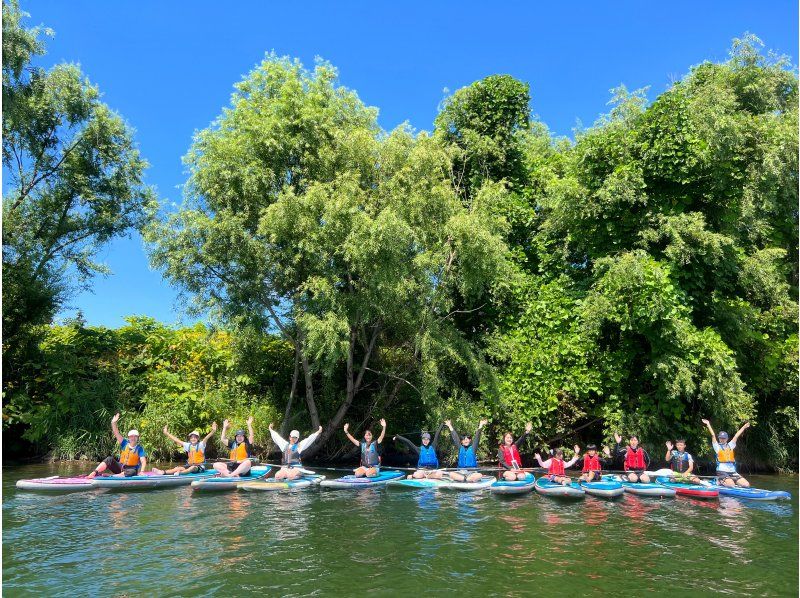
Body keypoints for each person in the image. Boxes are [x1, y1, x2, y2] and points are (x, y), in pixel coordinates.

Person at [87, 413, 148, 478]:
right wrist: (113, 423)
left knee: (133, 471)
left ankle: (112, 476)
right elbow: (116, 433)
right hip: (121, 468)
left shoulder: (140, 449)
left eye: (135, 436)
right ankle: (94, 472)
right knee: (109, 459)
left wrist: (142, 471)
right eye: (131, 436)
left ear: (138, 438)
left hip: (130, 470)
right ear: (129, 437)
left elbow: (143, 461)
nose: (133, 438)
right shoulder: (124, 443)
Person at [152, 423, 217, 475]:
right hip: (189, 465)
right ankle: (163, 472)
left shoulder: (201, 445)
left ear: (198, 438)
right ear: (190, 439)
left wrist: (213, 431)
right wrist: (166, 433)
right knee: (178, 468)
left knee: (192, 468)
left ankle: (180, 473)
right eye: (191, 437)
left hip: (200, 466)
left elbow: (206, 438)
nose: (193, 439)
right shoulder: (188, 445)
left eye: (195, 437)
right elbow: (176, 440)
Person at [702, 418, 751, 488]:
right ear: (719, 438)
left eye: (724, 438)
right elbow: (713, 435)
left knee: (746, 485)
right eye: (721, 438)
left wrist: (744, 426)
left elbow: (736, 436)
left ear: (727, 439)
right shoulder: (717, 447)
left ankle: (729, 481)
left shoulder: (731, 445)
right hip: (722, 471)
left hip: (732, 471)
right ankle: (719, 481)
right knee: (731, 485)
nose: (722, 439)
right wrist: (708, 424)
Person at [445, 418, 488, 483]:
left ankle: (466, 479)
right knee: (451, 474)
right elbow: (455, 438)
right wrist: (450, 426)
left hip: (472, 472)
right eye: (464, 439)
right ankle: (465, 479)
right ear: (461, 441)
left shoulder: (473, 448)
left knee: (479, 475)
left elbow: (477, 437)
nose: (466, 440)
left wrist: (481, 425)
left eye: (467, 439)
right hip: (461, 472)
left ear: (470, 440)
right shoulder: (460, 447)